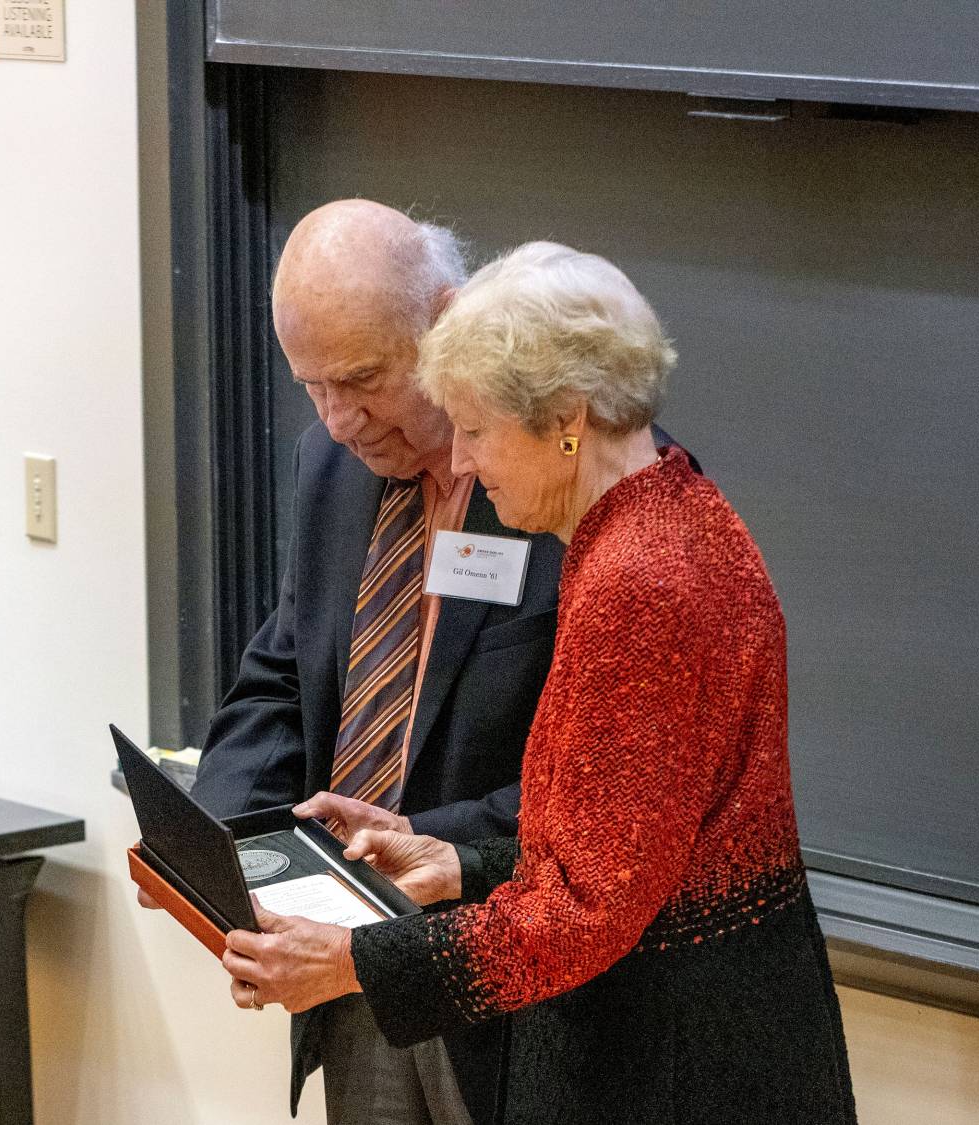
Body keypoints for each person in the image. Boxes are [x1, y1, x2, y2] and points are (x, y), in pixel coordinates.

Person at [220, 242, 857, 1123]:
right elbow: (626, 838)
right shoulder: (662, 518)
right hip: (681, 1032)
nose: (467, 465)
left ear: (565, 419)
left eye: (476, 431)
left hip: (670, 1062)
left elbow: (587, 912)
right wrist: (455, 859)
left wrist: (352, 962)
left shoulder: (642, 580)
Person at [172, 199, 569, 1125]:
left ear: (446, 318)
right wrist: (214, 850)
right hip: (348, 966)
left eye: (361, 378)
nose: (339, 417)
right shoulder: (332, 462)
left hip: (507, 979)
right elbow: (284, 670)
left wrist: (427, 862)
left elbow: (588, 779)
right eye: (312, 384)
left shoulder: (565, 485)